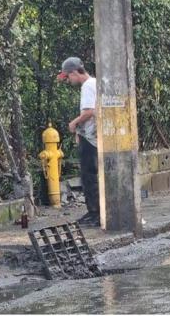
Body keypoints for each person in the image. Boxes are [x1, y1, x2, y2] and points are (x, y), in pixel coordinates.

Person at [57, 57, 100, 227]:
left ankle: (94, 213)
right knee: (92, 176)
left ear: (75, 72)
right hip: (91, 136)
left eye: (68, 77)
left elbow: (89, 111)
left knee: (88, 176)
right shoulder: (96, 82)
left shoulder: (87, 86)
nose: (68, 81)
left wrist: (74, 123)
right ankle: (95, 212)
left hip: (90, 138)